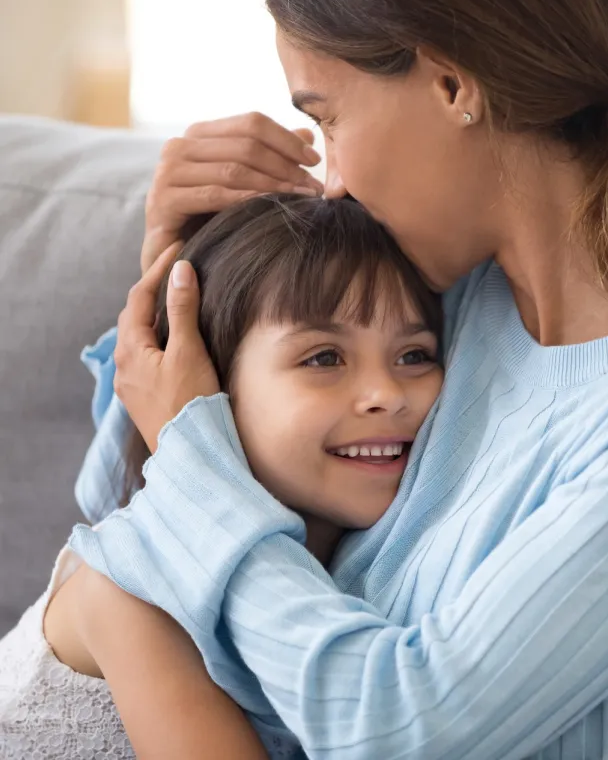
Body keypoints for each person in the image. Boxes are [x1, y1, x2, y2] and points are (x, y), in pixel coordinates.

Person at [67, 0, 608, 757]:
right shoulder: (448, 303)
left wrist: (190, 450)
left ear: (453, 86)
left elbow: (400, 730)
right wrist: (181, 278)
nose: (333, 179)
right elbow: (122, 521)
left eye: (330, 120)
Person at [0, 195, 444, 759]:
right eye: (324, 358)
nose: (387, 394)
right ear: (208, 387)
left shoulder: (382, 563)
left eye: (414, 355)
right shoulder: (131, 587)